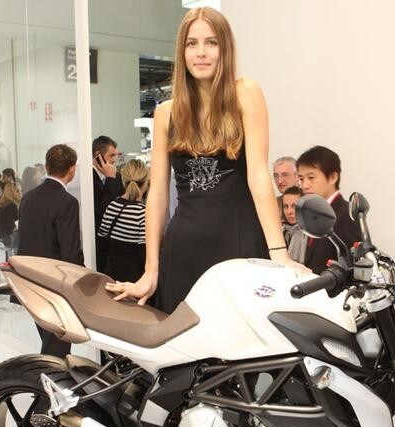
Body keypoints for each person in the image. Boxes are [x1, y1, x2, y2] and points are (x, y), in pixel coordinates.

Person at [106, 6, 297, 317]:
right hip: (183, 252)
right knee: (184, 343)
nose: (201, 52)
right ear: (182, 52)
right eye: (191, 44)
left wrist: (279, 253)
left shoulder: (245, 93)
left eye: (211, 42)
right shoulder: (166, 113)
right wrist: (150, 269)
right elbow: (158, 195)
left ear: (225, 48)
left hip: (240, 247)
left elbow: (259, 175)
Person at [18, 144, 83, 358]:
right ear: (72, 170)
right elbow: (70, 252)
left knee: (50, 342)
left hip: (29, 281)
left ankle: (46, 377)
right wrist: (82, 282)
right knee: (56, 349)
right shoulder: (67, 202)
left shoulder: (28, 198)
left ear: (46, 167)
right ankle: (46, 379)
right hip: (55, 286)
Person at [296, 145, 361, 274]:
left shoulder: (347, 215)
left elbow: (353, 266)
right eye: (301, 179)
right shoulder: (313, 213)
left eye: (311, 177)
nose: (305, 185)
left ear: (333, 177)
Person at [97, 159, 148, 283]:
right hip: (133, 283)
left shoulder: (112, 206)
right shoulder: (143, 213)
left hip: (110, 278)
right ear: (146, 183)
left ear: (123, 181)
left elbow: (102, 244)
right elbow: (144, 256)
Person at [92, 135, 123, 271]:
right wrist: (110, 178)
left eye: (115, 155)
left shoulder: (116, 176)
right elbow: (104, 208)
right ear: (98, 155)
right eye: (111, 155)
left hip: (115, 242)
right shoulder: (89, 177)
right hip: (98, 244)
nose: (114, 160)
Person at [0, 181, 20, 256]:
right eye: (17, 191)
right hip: (7, 238)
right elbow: (10, 226)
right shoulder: (11, 205)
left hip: (0, 237)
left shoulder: (1, 204)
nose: (20, 193)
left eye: (21, 190)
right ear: (11, 192)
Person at [281, 186, 306, 264]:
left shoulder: (310, 235)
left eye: (294, 206)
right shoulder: (281, 231)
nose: (289, 212)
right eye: (286, 206)